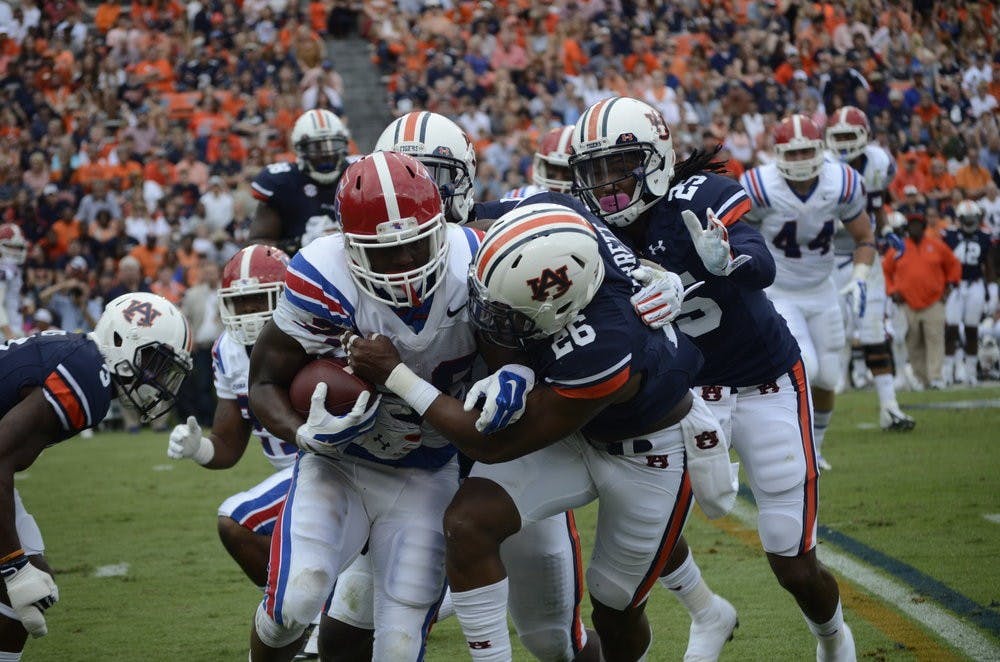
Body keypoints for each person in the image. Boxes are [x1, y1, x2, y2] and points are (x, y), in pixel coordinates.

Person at [347, 202, 733, 662]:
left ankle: (694, 617)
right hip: (577, 432)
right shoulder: (560, 220)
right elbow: (469, 228)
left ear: (560, 309)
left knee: (615, 603)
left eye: (506, 313)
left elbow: (488, 445)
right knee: (469, 524)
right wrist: (655, 269)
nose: (489, 317)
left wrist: (398, 376)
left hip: (645, 452)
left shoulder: (606, 348)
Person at [568, 96, 855, 661]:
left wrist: (724, 264)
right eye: (593, 171)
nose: (606, 186)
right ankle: (706, 609)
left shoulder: (699, 198)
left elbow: (762, 265)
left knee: (791, 560)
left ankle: (833, 640)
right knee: (649, 519)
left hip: (764, 381)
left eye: (618, 167)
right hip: (686, 394)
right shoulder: (589, 228)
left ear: (654, 159)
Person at [366, 113, 603, 662]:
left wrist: (522, 368)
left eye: (434, 178)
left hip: (506, 454)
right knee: (367, 617)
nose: (420, 195)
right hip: (404, 463)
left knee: (551, 638)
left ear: (465, 178)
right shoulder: (351, 260)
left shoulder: (502, 234)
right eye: (408, 178)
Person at [246, 151, 482, 661]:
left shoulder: (475, 263)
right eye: (384, 254)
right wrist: (304, 434)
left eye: (415, 247)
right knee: (297, 598)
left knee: (398, 645)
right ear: (349, 247)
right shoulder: (322, 275)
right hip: (341, 466)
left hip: (428, 471)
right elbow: (264, 380)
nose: (403, 268)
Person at [0, 292, 192, 656]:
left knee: (33, 580)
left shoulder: (84, 361)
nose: (158, 379)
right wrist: (11, 564)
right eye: (153, 362)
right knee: (21, 577)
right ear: (122, 342)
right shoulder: (87, 376)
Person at [165, 245, 329, 655]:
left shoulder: (315, 334)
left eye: (261, 299)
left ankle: (305, 618)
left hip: (330, 462)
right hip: (293, 473)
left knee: (236, 520)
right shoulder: (226, 350)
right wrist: (199, 448)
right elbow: (229, 445)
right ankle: (310, 613)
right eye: (242, 302)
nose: (252, 312)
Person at [739, 113, 877, 470]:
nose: (800, 161)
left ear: (821, 149)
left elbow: (864, 237)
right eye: (792, 153)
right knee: (807, 367)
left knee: (830, 376)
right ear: (778, 153)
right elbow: (740, 235)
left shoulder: (842, 182)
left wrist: (860, 275)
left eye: (807, 152)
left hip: (824, 289)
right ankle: (795, 446)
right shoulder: (760, 186)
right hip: (780, 291)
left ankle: (815, 449)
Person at [825, 106, 915, 430]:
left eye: (851, 135)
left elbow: (879, 200)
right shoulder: (824, 168)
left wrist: (886, 229)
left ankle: (889, 407)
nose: (846, 143)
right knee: (831, 337)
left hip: (867, 255)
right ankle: (814, 417)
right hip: (830, 259)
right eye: (840, 136)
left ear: (865, 137)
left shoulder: (879, 163)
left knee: (875, 331)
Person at [248, 109, 350, 255]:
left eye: (333, 145)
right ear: (300, 150)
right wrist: (297, 244)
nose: (327, 155)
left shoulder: (357, 174)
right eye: (316, 147)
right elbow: (256, 247)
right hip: (295, 271)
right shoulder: (282, 182)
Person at [883, 213, 962, 389]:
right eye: (912, 225)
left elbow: (954, 264)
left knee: (935, 339)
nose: (915, 228)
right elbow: (885, 271)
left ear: (924, 226)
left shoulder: (937, 245)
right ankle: (921, 378)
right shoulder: (898, 248)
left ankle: (935, 377)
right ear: (907, 228)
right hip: (907, 303)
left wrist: (950, 286)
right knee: (913, 342)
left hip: (934, 301)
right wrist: (892, 290)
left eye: (918, 225)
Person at [942, 201, 996, 385]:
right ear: (959, 218)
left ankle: (971, 371)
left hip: (975, 284)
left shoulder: (984, 236)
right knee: (951, 328)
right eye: (967, 218)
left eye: (973, 218)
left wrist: (993, 290)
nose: (970, 221)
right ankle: (948, 371)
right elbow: (942, 263)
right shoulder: (949, 235)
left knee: (972, 328)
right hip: (955, 286)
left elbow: (989, 264)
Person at [0, 224, 28, 340]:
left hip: (13, 329)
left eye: (18, 247)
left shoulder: (14, 269)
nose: (16, 251)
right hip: (5, 334)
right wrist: (8, 333)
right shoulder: (5, 270)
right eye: (11, 247)